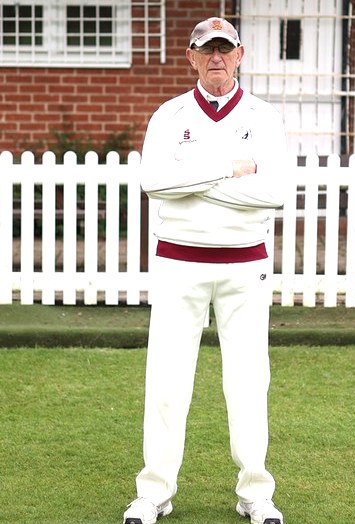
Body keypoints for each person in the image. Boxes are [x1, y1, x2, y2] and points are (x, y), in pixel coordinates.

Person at [123, 17, 287, 524]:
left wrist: (190, 179)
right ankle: (154, 493)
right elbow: (154, 182)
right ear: (190, 57)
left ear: (239, 55)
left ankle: (255, 493)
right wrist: (229, 168)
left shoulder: (263, 117)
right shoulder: (170, 115)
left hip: (246, 267)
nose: (216, 57)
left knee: (248, 382)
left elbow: (274, 192)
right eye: (206, 49)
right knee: (167, 382)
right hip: (179, 263)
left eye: (224, 48)